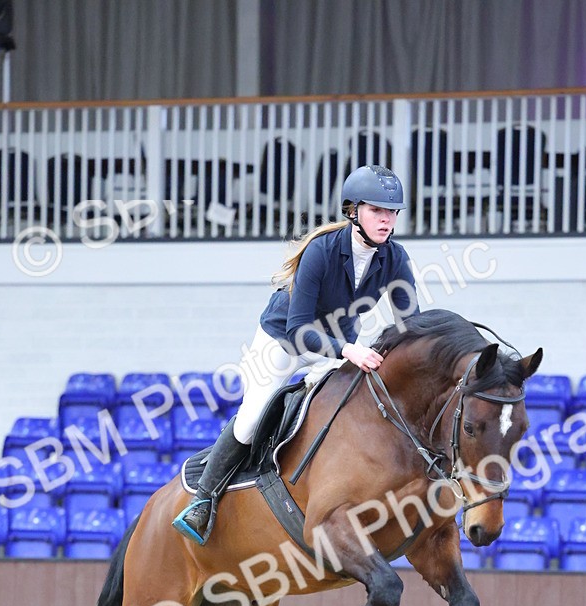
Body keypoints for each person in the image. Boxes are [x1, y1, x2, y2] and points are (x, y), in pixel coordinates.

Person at [173, 164, 420, 544]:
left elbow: (412, 324)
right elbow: (299, 330)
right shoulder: (322, 252)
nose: (387, 220)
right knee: (252, 419)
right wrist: (349, 350)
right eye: (377, 211)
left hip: (337, 346)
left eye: (392, 212)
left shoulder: (395, 259)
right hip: (284, 342)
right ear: (353, 211)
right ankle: (204, 499)